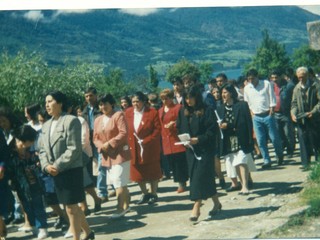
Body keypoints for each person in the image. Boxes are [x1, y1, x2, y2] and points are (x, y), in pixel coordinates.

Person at [38, 90, 94, 240]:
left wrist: (57, 165)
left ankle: (77, 237)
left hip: (70, 169)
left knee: (70, 207)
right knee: (71, 206)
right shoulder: (46, 125)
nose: (47, 105)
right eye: (46, 103)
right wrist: (46, 166)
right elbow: (42, 150)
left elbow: (74, 148)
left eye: (50, 101)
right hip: (54, 171)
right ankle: (88, 233)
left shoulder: (71, 120)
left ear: (60, 103)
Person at [177, 85, 222, 221]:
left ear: (197, 97)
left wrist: (199, 139)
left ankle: (196, 207)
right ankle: (217, 203)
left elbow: (212, 131)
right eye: (186, 98)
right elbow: (179, 128)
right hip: (190, 150)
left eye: (191, 97)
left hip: (205, 149)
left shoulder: (207, 110)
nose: (188, 100)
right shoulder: (183, 112)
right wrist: (184, 139)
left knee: (198, 177)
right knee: (204, 178)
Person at [6, 125, 48, 239]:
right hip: (20, 185)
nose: (33, 142)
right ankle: (34, 226)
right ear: (24, 140)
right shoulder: (10, 152)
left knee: (38, 205)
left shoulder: (31, 150)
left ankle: (42, 228)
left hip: (34, 182)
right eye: (31, 141)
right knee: (27, 207)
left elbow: (37, 161)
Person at [93, 94, 131, 218]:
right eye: (100, 104)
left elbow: (123, 133)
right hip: (106, 156)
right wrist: (101, 146)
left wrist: (109, 144)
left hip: (120, 153)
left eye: (105, 103)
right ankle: (127, 204)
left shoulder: (118, 115)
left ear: (112, 104)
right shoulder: (98, 119)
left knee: (119, 181)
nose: (103, 106)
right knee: (118, 182)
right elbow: (95, 138)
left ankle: (119, 208)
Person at [217, 84, 256, 195]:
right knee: (235, 162)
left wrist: (250, 138)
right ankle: (241, 183)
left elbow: (248, 123)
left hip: (241, 137)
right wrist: (221, 126)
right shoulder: (220, 108)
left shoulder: (242, 105)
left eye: (225, 92)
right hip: (228, 140)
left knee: (242, 161)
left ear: (231, 93)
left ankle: (245, 186)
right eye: (222, 93)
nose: (223, 95)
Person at [125, 91, 162, 205]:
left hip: (149, 146)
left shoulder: (152, 112)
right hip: (134, 147)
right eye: (133, 102)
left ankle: (153, 193)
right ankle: (145, 193)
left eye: (137, 101)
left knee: (152, 171)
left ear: (143, 101)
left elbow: (157, 130)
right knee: (137, 172)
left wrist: (146, 141)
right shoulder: (128, 112)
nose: (135, 104)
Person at [244, 68, 284, 169]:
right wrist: (251, 113)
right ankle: (267, 160)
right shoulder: (247, 88)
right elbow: (247, 102)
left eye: (252, 78)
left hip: (267, 114)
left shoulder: (266, 83)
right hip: (256, 116)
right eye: (249, 79)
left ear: (257, 76)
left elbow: (272, 97)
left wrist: (271, 110)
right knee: (261, 140)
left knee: (274, 138)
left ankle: (279, 155)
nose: (251, 81)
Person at [158, 89, 189, 193]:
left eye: (166, 98)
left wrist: (174, 124)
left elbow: (183, 121)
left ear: (171, 98)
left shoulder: (178, 108)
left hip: (176, 139)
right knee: (172, 163)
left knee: (180, 162)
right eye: (162, 99)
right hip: (166, 140)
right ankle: (179, 181)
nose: (164, 101)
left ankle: (182, 183)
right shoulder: (160, 110)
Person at [291, 67, 320, 170]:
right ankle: (305, 163)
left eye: (302, 77)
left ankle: (318, 163)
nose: (301, 79)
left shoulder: (315, 86)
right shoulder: (296, 88)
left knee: (316, 140)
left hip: (314, 118)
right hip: (302, 118)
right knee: (303, 140)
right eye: (299, 77)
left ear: (307, 75)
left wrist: (313, 112)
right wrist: (293, 114)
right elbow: (294, 104)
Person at [82, 87, 107, 202]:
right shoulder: (85, 111)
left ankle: (102, 191)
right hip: (89, 141)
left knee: (102, 165)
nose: (89, 98)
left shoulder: (101, 108)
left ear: (96, 96)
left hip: (101, 139)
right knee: (94, 166)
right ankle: (101, 189)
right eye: (86, 96)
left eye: (91, 96)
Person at [269, 69, 295, 158]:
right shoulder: (270, 86)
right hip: (275, 113)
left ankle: (290, 150)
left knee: (288, 133)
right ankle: (283, 148)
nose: (274, 79)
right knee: (279, 134)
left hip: (286, 113)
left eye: (276, 77)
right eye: (272, 78)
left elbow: (293, 100)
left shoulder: (289, 86)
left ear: (281, 76)